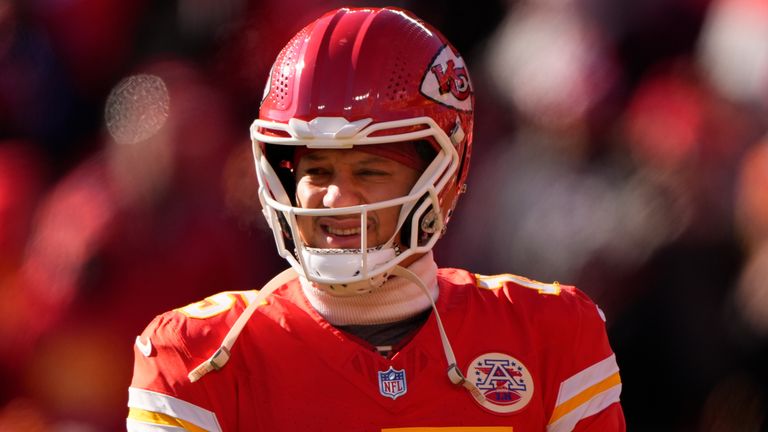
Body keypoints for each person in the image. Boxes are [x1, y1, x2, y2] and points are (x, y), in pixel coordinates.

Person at [126, 7, 625, 431]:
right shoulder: (199, 357)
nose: (338, 199)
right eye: (317, 169)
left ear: (440, 174)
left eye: (369, 169)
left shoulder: (549, 335)